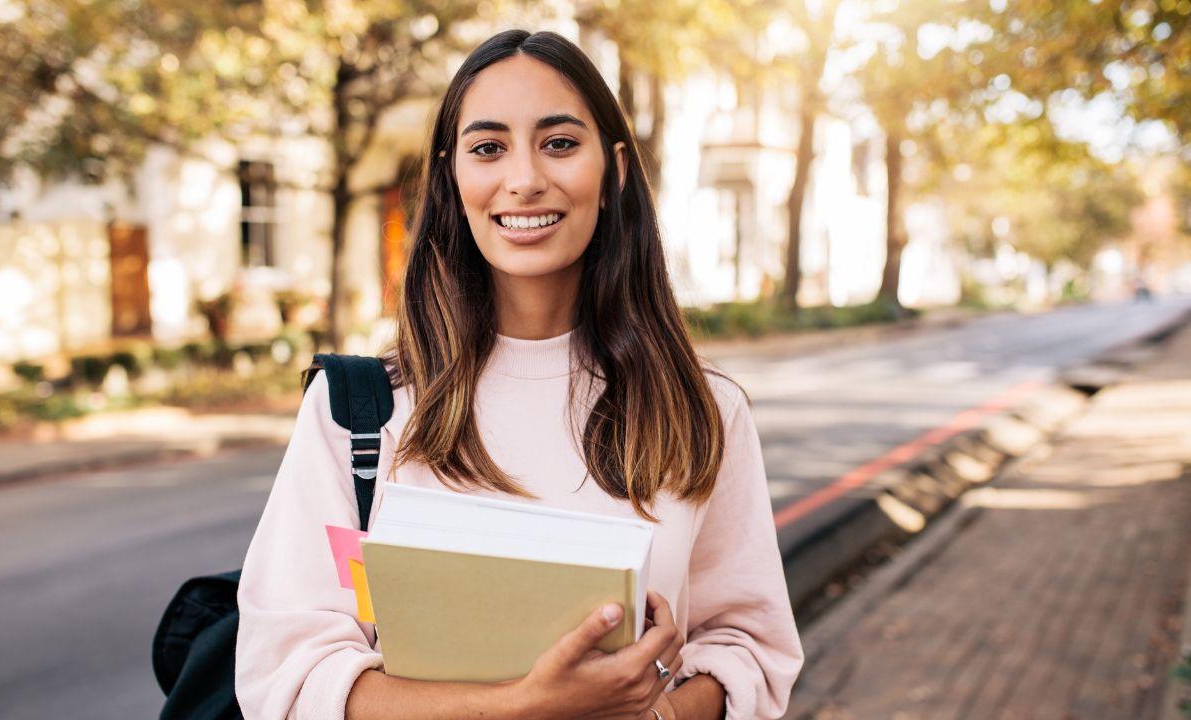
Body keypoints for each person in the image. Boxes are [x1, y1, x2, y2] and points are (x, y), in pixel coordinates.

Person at [235, 29, 804, 720]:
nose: (525, 178)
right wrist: (525, 706)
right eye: (487, 148)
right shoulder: (359, 412)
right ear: (451, 176)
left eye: (560, 143)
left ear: (615, 170)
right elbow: (290, 676)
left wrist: (656, 716)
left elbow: (747, 646)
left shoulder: (703, 411)